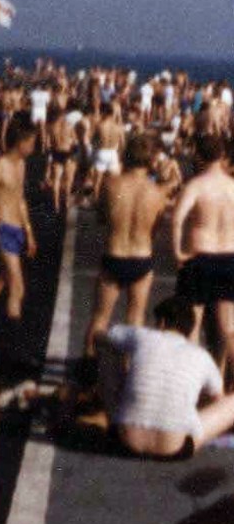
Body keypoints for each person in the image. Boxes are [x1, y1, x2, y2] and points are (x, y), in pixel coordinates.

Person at [95, 295, 234, 459]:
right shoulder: (201, 356)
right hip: (173, 448)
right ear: (189, 329)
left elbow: (102, 335)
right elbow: (217, 398)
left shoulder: (142, 336)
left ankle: (106, 409)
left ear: (161, 323)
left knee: (107, 352)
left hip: (125, 441)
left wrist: (126, 372)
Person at [83, 134, 166, 357]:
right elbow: (155, 231)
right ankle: (127, 367)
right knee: (135, 318)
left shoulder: (110, 185)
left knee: (100, 316)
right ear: (150, 160)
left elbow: (101, 218)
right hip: (141, 257)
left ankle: (88, 367)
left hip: (114, 254)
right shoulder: (157, 193)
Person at [173, 133, 234, 383]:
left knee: (193, 325)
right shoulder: (232, 186)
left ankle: (193, 381)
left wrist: (177, 251)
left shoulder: (196, 185)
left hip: (200, 256)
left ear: (198, 155)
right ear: (222, 157)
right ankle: (219, 379)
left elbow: (177, 219)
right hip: (230, 257)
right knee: (226, 328)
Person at [0, 112, 37, 321]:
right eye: (32, 142)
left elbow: (20, 200)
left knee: (0, 283)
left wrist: (29, 232)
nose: (34, 146)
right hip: (1, 229)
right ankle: (13, 338)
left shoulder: (21, 165)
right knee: (18, 287)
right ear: (22, 142)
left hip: (16, 231)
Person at [91, 101, 125, 201]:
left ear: (104, 113)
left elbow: (93, 141)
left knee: (97, 182)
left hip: (101, 151)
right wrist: (119, 156)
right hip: (113, 153)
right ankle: (114, 201)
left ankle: (96, 202)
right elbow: (122, 143)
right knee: (114, 181)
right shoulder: (118, 127)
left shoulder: (100, 125)